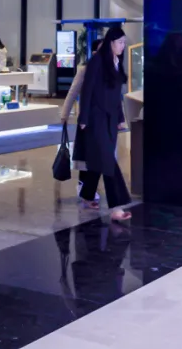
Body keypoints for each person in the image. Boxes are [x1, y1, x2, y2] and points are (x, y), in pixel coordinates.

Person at [73, 26, 132, 221]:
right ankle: (116, 207)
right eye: (120, 42)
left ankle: (87, 194)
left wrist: (120, 118)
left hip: (110, 120)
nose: (123, 46)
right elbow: (87, 91)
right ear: (111, 42)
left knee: (100, 159)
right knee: (107, 160)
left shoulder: (116, 62)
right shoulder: (97, 61)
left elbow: (116, 95)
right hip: (95, 119)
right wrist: (83, 118)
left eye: (124, 43)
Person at [61, 40, 102, 202]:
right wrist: (65, 114)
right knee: (86, 154)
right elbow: (73, 92)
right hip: (87, 120)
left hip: (102, 120)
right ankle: (83, 185)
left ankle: (89, 187)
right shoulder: (85, 70)